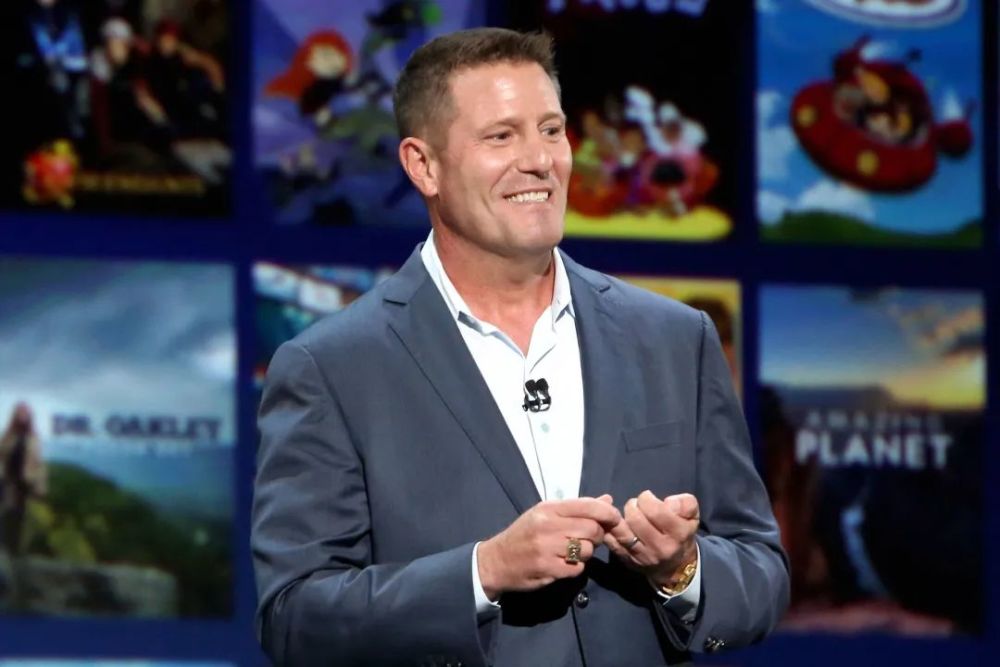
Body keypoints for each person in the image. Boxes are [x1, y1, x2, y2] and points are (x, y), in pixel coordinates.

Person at [252, 28, 788, 667]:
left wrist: (682, 569)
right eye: (501, 136)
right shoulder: (332, 368)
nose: (539, 160)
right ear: (423, 166)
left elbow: (762, 576)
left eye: (551, 130)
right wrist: (482, 572)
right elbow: (295, 618)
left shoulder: (674, 339)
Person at [0, 403, 47, 556]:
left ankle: (14, 549)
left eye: (25, 414)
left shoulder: (33, 437)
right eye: (20, 413)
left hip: (24, 480)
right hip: (8, 479)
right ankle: (6, 548)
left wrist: (40, 486)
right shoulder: (8, 435)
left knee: (19, 515)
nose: (23, 416)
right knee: (8, 512)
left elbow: (38, 462)